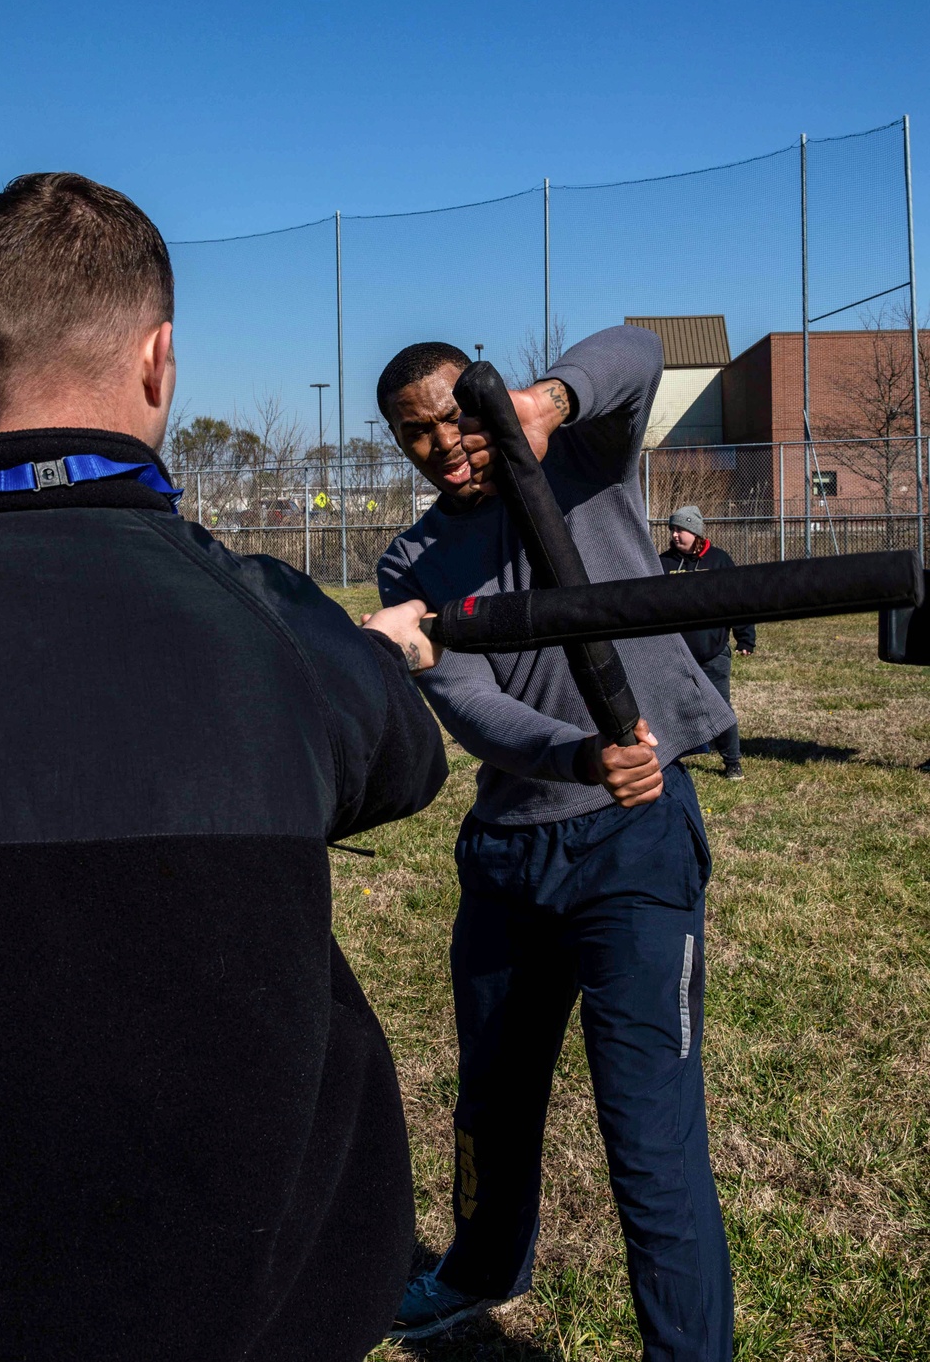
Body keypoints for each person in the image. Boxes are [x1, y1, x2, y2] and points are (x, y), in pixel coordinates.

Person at [0, 173, 448, 1362]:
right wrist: (371, 655)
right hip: (252, 1305)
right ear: (160, 360)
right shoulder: (263, 617)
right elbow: (402, 758)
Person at [376, 329, 736, 1361]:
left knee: (650, 1140)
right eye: (416, 434)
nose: (444, 445)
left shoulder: (583, 463)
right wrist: (581, 755)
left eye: (456, 417)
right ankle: (481, 1268)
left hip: (634, 849)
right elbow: (471, 704)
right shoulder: (411, 560)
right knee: (490, 1102)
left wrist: (548, 399)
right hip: (507, 858)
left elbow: (641, 351)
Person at [659, 505, 755, 781]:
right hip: (675, 653)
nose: (675, 535)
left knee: (720, 708)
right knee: (671, 707)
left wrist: (745, 637)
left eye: (681, 529)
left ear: (696, 531)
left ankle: (732, 761)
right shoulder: (663, 563)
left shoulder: (719, 561)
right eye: (673, 530)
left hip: (713, 652)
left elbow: (738, 602)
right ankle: (672, 760)